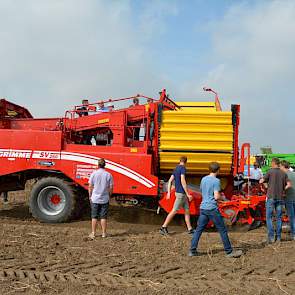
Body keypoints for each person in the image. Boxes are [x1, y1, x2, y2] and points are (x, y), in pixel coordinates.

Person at [189, 162, 242, 258]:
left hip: (203, 208)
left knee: (198, 230)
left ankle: (192, 251)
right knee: (222, 230)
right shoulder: (216, 181)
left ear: (209, 169)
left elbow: (202, 191)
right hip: (212, 208)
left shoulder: (203, 179)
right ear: (218, 170)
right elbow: (216, 196)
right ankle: (229, 252)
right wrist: (223, 198)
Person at [159, 156, 194, 235]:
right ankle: (163, 227)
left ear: (180, 161)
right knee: (174, 210)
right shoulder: (183, 169)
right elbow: (183, 180)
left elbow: (170, 181)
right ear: (186, 162)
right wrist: (188, 194)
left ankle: (190, 229)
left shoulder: (176, 169)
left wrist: (168, 192)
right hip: (181, 194)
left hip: (180, 193)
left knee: (187, 211)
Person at [259, 158, 291, 243]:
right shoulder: (283, 173)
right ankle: (279, 237)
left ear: (273, 163)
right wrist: (283, 189)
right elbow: (289, 184)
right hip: (280, 198)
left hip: (271, 197)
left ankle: (271, 237)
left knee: (269, 217)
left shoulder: (270, 171)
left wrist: (265, 185)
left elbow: (261, 180)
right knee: (279, 217)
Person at [88, 158, 113, 239]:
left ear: (98, 165)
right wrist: (109, 195)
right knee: (103, 217)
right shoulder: (108, 175)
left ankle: (93, 233)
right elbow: (111, 187)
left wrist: (90, 195)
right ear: (105, 165)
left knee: (94, 216)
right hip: (104, 198)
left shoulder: (93, 174)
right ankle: (103, 233)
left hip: (95, 198)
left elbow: (90, 186)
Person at [280, 160, 295, 240]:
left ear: (283, 166)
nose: (279, 168)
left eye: (280, 166)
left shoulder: (284, 176)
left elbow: (282, 187)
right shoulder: (294, 173)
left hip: (289, 198)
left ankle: (293, 234)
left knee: (292, 217)